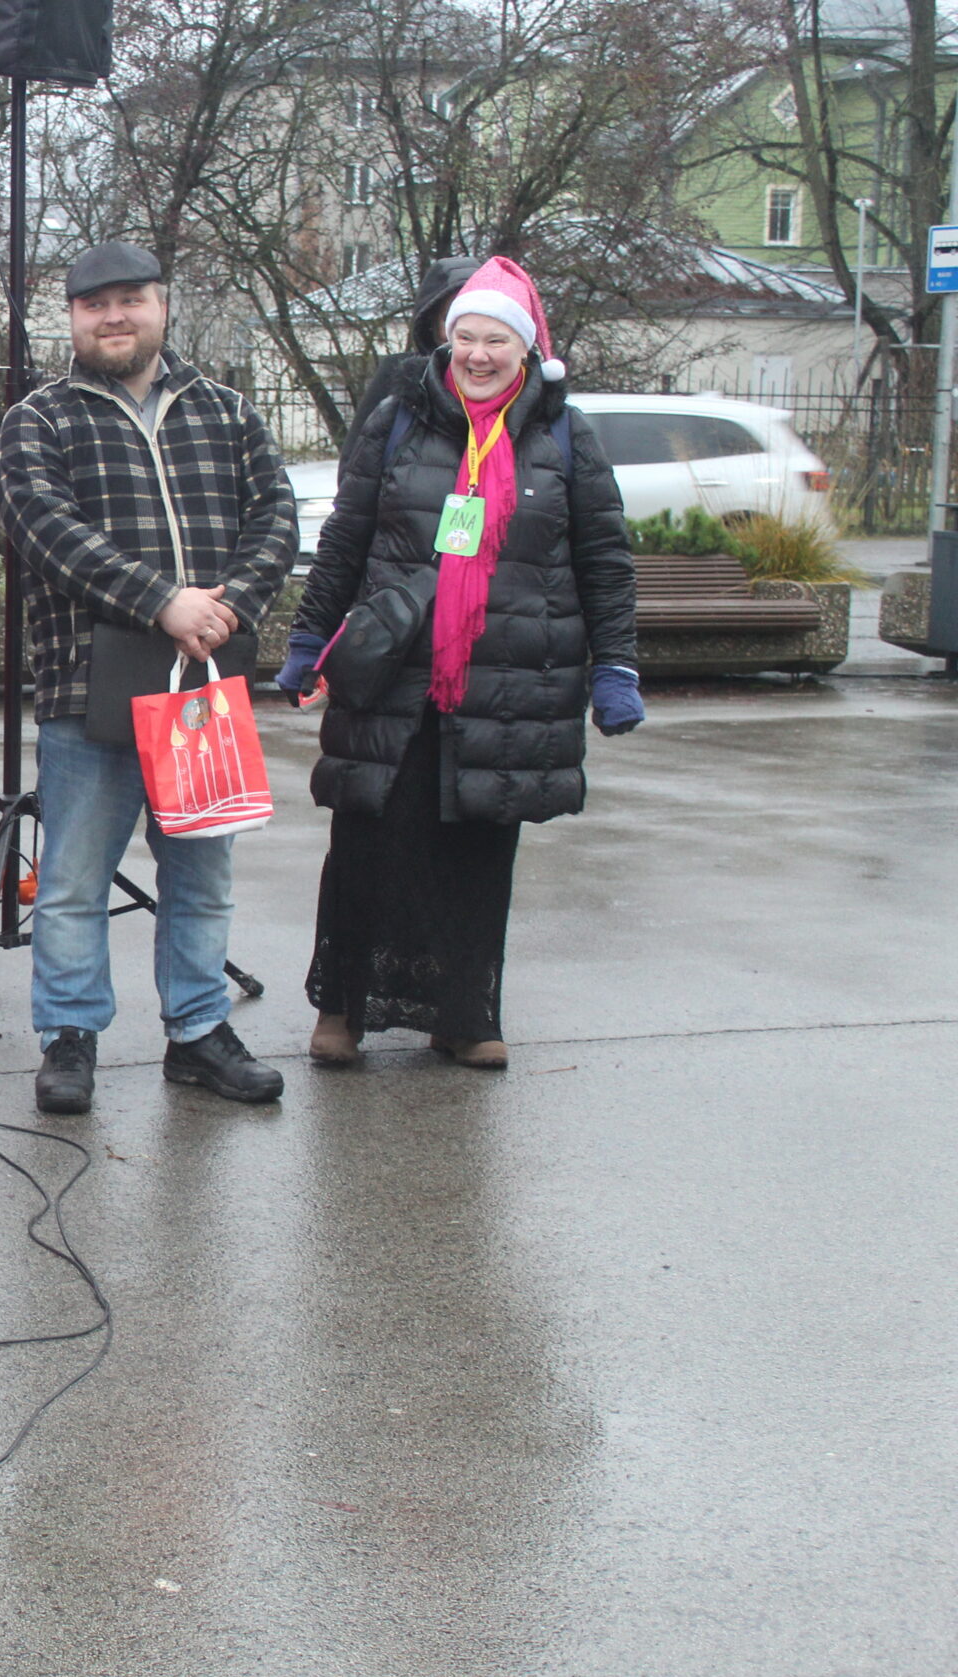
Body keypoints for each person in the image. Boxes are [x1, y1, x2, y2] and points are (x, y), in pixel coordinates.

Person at [276, 257, 641, 1070]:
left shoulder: (566, 436)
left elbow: (605, 560)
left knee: (477, 854)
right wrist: (308, 642)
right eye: (466, 336)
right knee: (367, 842)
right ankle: (342, 1009)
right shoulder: (400, 419)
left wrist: (617, 668)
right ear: (447, 341)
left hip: (507, 678)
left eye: (497, 340)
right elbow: (345, 539)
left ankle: (464, 1016)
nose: (478, 354)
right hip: (395, 673)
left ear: (528, 349)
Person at [0, 241, 298, 1117]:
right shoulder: (37, 421)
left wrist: (227, 607)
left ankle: (198, 1031)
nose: (114, 316)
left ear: (162, 305)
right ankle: (69, 1037)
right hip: (86, 690)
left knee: (202, 878)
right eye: (94, 304)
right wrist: (163, 602)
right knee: (72, 883)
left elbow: (277, 516)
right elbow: (47, 532)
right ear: (72, 318)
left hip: (201, 689)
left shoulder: (228, 412)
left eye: (130, 298)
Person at [347, 255, 481, 438]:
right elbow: (359, 453)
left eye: (474, 318)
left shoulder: (517, 396)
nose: (460, 332)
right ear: (431, 324)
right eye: (448, 319)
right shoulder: (396, 386)